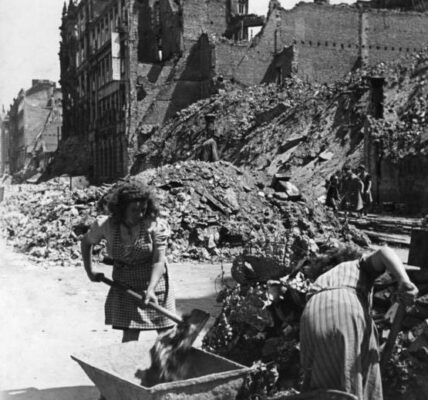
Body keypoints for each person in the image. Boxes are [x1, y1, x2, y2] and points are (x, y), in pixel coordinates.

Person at [300, 245, 418, 400]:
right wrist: (404, 280)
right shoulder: (357, 265)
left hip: (311, 314)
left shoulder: (323, 279)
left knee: (322, 380)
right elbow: (384, 251)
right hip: (343, 307)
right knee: (351, 381)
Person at [81, 181, 175, 343]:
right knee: (130, 335)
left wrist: (150, 289)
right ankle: (127, 360)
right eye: (134, 210)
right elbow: (86, 242)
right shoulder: (106, 225)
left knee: (166, 333)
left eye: (143, 210)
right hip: (125, 283)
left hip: (154, 280)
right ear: (122, 209)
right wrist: (90, 271)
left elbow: (158, 261)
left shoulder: (153, 225)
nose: (140, 214)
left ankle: (171, 360)